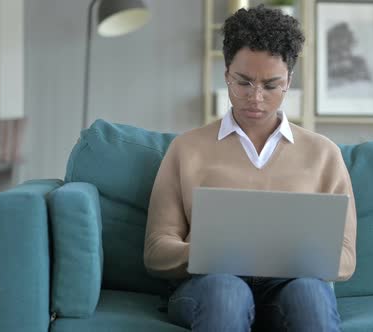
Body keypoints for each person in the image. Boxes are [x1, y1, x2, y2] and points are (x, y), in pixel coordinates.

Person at [144, 5, 357, 331]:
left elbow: (344, 260)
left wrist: (289, 255)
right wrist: (209, 251)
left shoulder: (323, 154)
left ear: (289, 80)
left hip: (290, 286)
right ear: (226, 72)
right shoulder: (186, 149)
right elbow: (157, 250)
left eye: (271, 85)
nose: (255, 97)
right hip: (210, 285)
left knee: (311, 295)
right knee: (227, 292)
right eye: (243, 82)